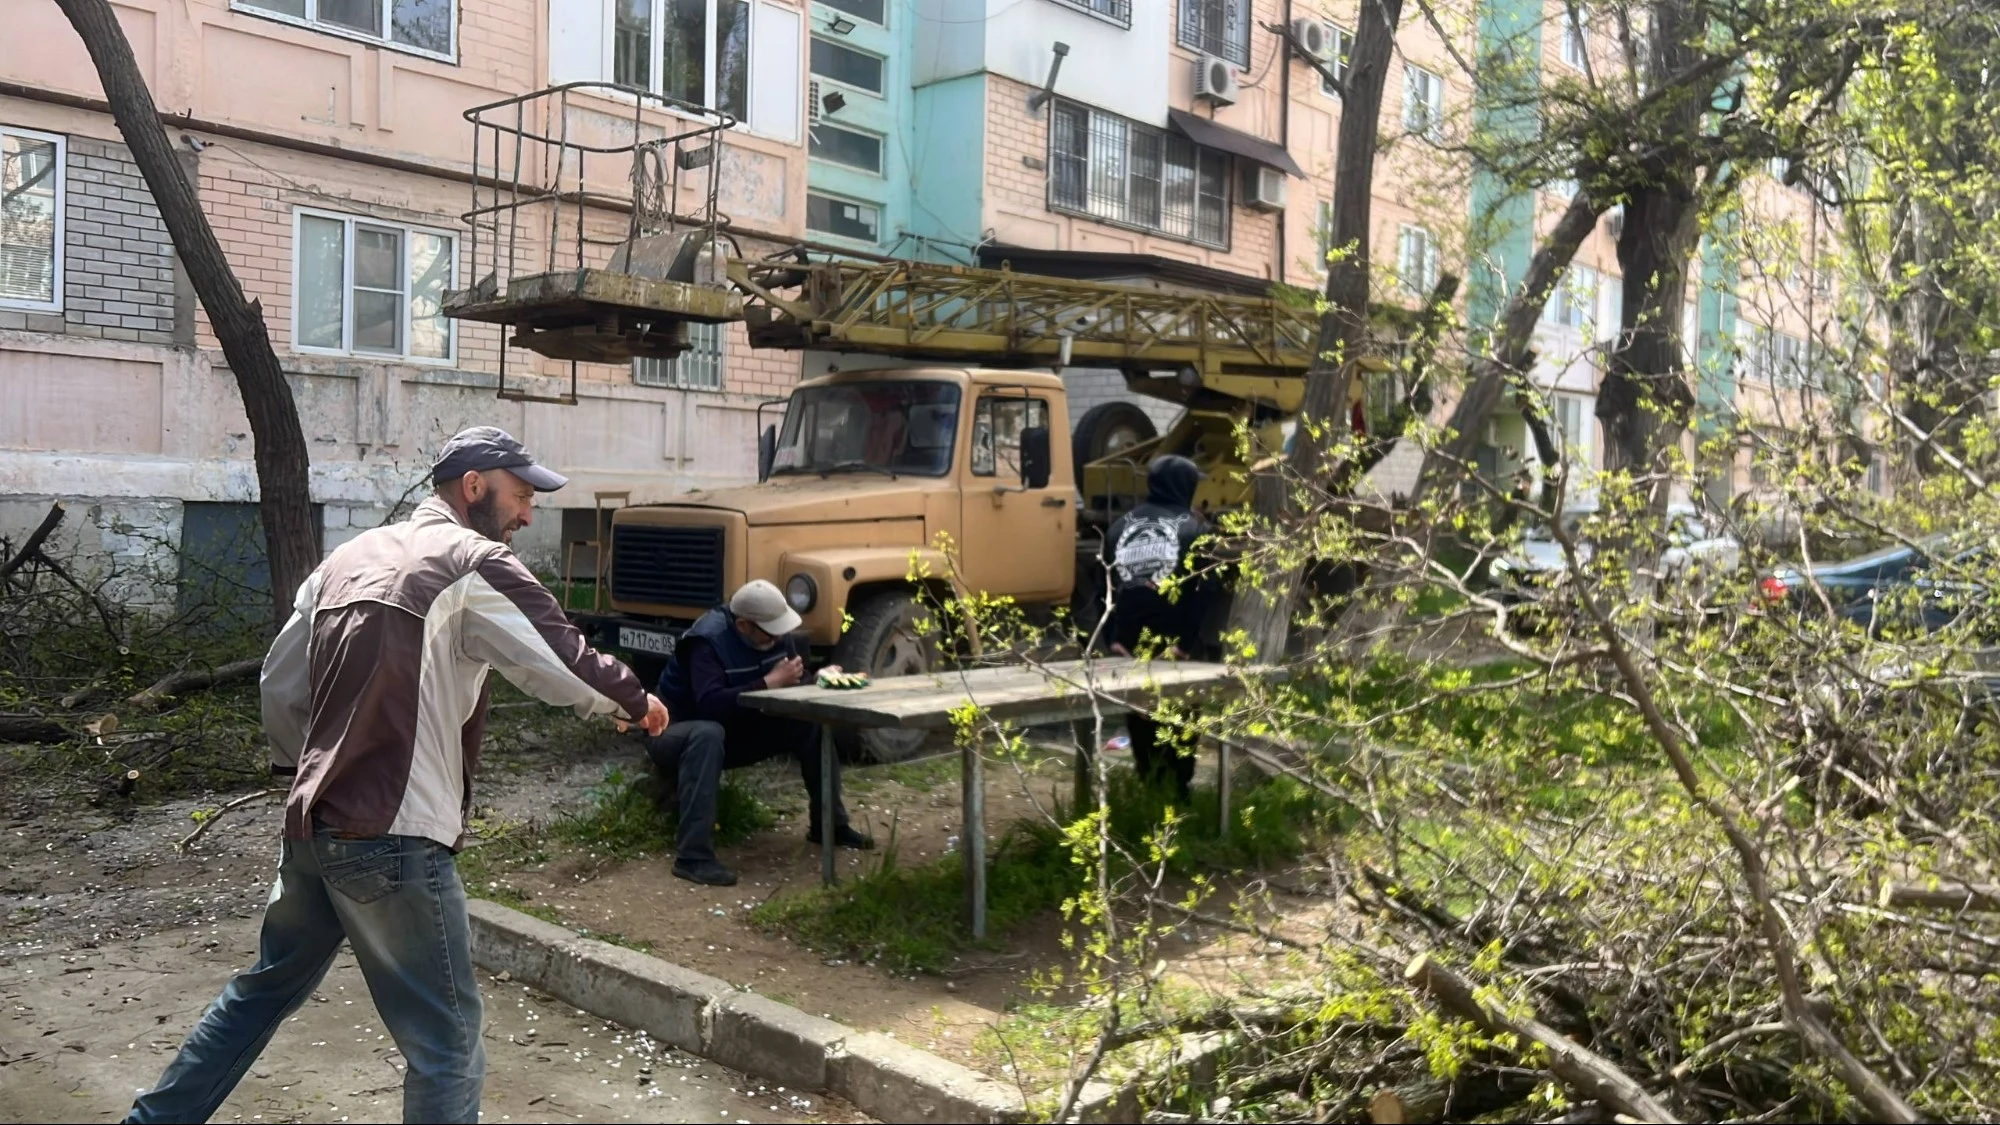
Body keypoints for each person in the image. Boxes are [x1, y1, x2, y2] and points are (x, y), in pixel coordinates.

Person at [124, 426, 669, 1125]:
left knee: (260, 992)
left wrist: (312, 772)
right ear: (474, 487)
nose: (528, 513)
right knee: (447, 1043)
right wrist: (636, 700)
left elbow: (280, 687)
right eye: (522, 495)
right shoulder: (472, 561)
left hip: (316, 827)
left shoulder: (343, 561)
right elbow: (558, 657)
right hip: (396, 837)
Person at [647, 579, 873, 886]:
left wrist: (815, 679)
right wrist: (768, 683)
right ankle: (692, 857)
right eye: (772, 630)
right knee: (707, 734)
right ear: (743, 625)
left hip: (735, 729)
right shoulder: (706, 642)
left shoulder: (776, 634)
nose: (781, 636)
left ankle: (829, 825)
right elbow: (710, 705)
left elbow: (790, 681)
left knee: (812, 723)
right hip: (673, 731)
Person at [1099, 454, 1217, 801]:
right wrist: (1186, 642)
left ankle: (1150, 795)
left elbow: (1100, 590)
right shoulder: (1196, 529)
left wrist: (1113, 639)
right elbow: (1203, 594)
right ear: (1186, 485)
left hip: (1130, 650)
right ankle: (1176, 802)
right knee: (1181, 727)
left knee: (1141, 721)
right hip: (1177, 653)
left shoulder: (1118, 527)